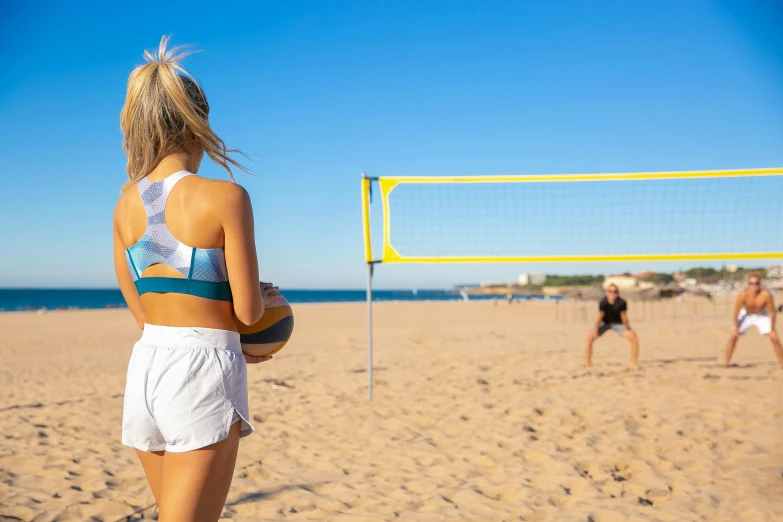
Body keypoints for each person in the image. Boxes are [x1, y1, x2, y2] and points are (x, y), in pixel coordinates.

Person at [113, 36, 279, 521]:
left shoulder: (124, 206)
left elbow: (144, 316)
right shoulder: (225, 197)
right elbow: (248, 313)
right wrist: (267, 303)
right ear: (198, 123)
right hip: (201, 370)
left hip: (146, 368)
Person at [724, 272, 783, 368]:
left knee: (774, 337)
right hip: (747, 314)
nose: (754, 286)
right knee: (733, 337)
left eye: (756, 283)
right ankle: (726, 363)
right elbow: (736, 312)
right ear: (748, 284)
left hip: (762, 314)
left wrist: (772, 328)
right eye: (751, 283)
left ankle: (782, 363)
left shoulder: (766, 295)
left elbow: (772, 312)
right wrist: (736, 328)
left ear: (760, 284)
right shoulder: (743, 294)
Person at [585, 284, 639, 369]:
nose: (612, 293)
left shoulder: (622, 302)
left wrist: (628, 328)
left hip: (618, 323)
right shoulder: (603, 302)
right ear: (606, 293)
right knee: (589, 337)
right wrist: (596, 330)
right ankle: (588, 364)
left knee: (634, 337)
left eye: (615, 291)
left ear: (618, 293)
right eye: (610, 291)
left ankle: (634, 363)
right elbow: (600, 316)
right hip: (605, 323)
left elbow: (623, 316)